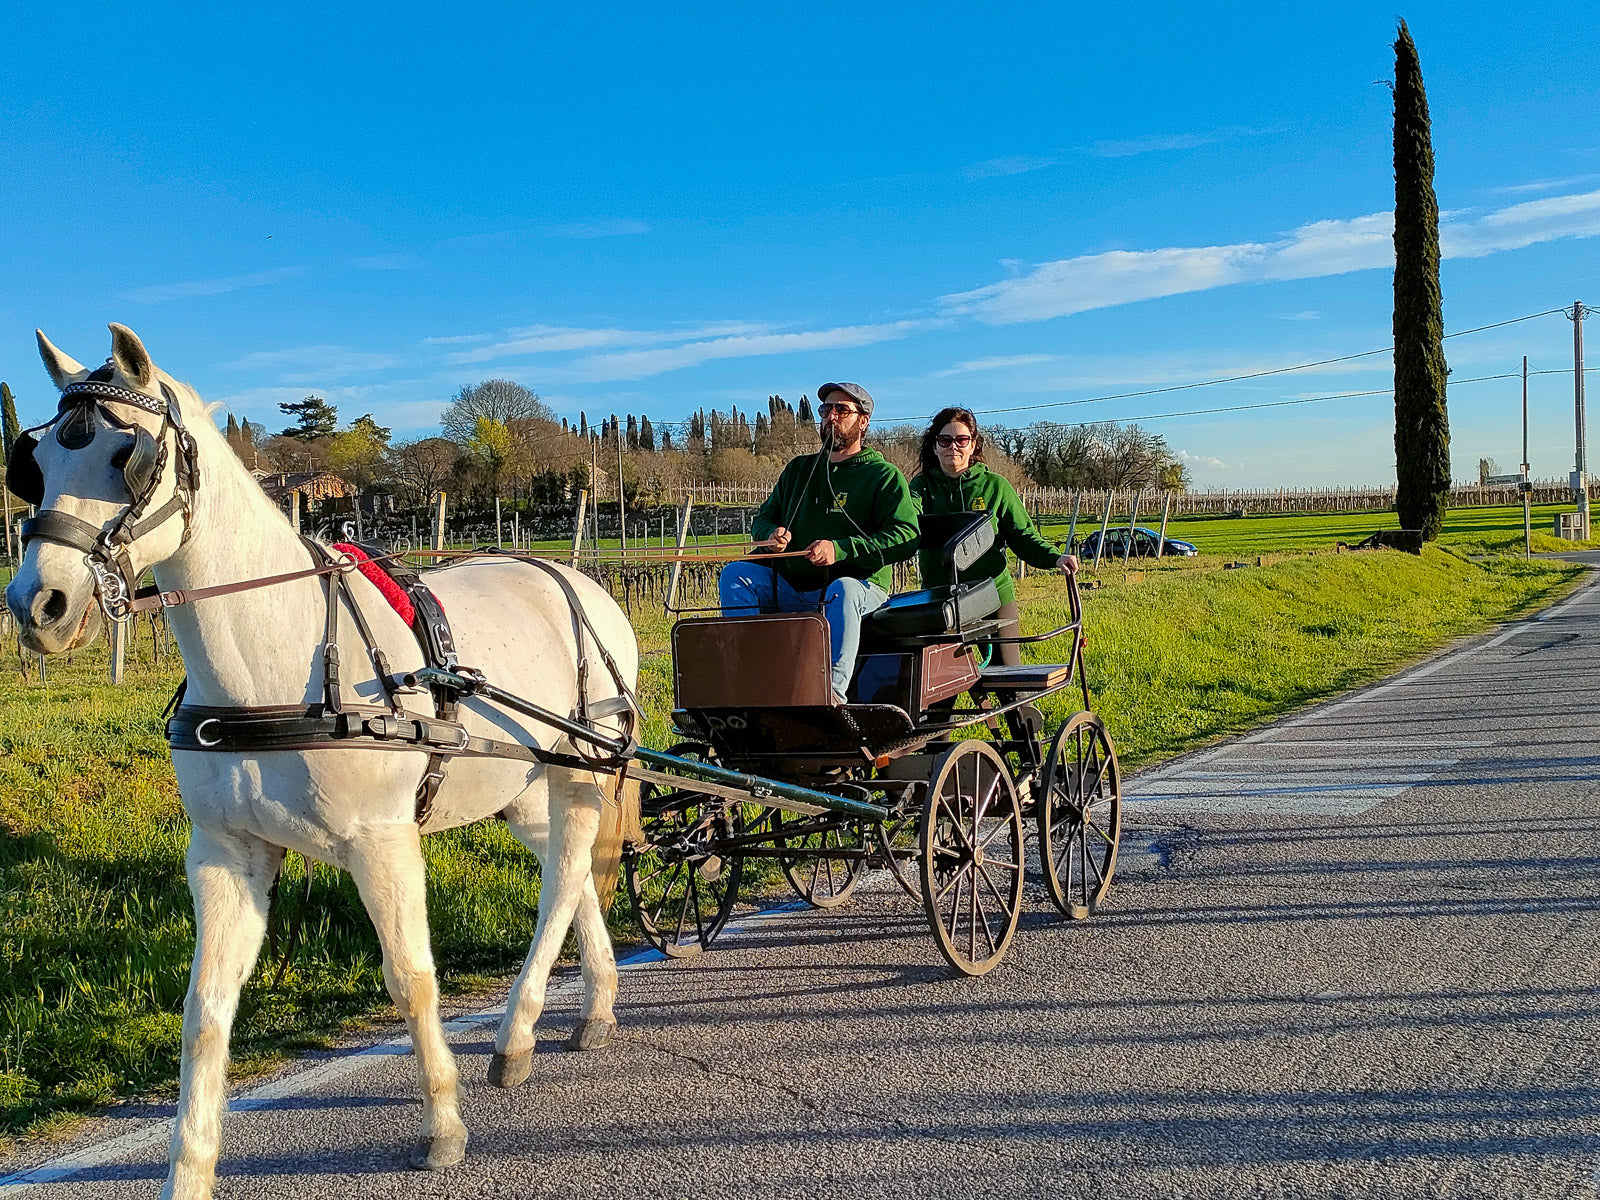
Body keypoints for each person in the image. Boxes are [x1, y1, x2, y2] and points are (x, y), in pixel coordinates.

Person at [719, 382, 918, 702]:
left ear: (863, 421)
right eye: (826, 410)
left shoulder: (883, 475)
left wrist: (839, 550)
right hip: (791, 588)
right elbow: (762, 520)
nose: (831, 417)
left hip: (858, 593)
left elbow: (906, 537)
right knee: (735, 574)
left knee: (846, 588)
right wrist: (771, 535)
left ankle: (831, 696)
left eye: (842, 410)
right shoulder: (799, 470)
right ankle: (753, 679)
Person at [909, 406, 1077, 669]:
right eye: (945, 440)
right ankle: (970, 711)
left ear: (973, 445)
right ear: (934, 446)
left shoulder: (995, 486)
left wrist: (1054, 558)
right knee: (938, 692)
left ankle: (1016, 710)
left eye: (961, 440)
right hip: (941, 602)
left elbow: (1022, 535)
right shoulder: (920, 488)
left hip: (992, 595)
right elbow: (906, 522)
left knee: (1008, 682)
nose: (953, 446)